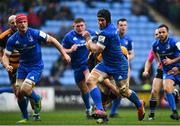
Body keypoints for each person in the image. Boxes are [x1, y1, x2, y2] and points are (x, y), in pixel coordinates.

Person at [2, 13, 71, 123]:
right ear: (17, 24)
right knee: (19, 94)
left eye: (25, 22)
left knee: (25, 89)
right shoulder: (12, 39)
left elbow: (52, 40)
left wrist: (64, 54)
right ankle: (25, 117)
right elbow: (6, 55)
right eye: (20, 22)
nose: (23, 24)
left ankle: (37, 98)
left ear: (27, 23)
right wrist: (6, 65)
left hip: (36, 67)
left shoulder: (35, 33)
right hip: (22, 67)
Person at [82, 9, 145, 123]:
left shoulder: (107, 32)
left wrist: (87, 39)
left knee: (123, 92)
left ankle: (139, 103)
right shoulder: (107, 30)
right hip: (106, 64)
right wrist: (90, 43)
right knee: (90, 81)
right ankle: (100, 110)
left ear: (108, 20)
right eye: (98, 20)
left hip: (119, 66)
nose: (100, 22)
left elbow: (96, 49)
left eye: (102, 20)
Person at [62, 17, 96, 118]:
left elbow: (102, 40)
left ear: (85, 25)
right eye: (78, 26)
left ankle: (99, 107)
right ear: (74, 26)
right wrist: (70, 50)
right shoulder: (68, 37)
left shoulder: (91, 32)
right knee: (83, 89)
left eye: (82, 25)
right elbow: (62, 50)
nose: (80, 28)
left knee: (90, 81)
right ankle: (88, 109)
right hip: (76, 66)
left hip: (88, 64)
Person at [152, 24, 180, 120]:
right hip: (168, 72)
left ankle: (175, 93)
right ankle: (175, 112)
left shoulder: (175, 42)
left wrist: (172, 61)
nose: (161, 34)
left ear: (167, 33)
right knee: (167, 89)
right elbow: (154, 52)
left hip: (179, 70)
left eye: (163, 32)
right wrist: (158, 62)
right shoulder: (155, 45)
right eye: (159, 32)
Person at [109, 18, 135, 118]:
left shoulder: (129, 40)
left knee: (122, 90)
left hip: (124, 67)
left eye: (124, 25)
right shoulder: (112, 37)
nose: (123, 27)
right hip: (111, 67)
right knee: (110, 90)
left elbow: (132, 54)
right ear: (117, 26)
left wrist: (126, 59)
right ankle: (100, 108)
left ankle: (112, 112)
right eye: (121, 25)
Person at [143, 28, 162, 120]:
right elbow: (149, 60)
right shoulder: (154, 47)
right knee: (154, 91)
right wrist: (146, 70)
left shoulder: (171, 45)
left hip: (174, 71)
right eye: (156, 34)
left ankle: (175, 91)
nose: (158, 36)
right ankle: (152, 113)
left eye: (159, 33)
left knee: (168, 90)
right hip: (161, 71)